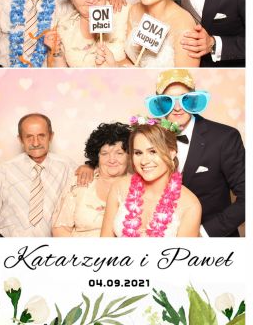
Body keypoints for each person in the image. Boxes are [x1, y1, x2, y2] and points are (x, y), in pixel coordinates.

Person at [145, 69, 245, 236]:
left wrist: (203, 234)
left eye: (184, 99)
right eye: (169, 101)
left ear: (194, 99)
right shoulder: (150, 138)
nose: (177, 108)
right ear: (159, 104)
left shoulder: (224, 137)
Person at [101, 116, 201, 237]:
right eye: (138, 153)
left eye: (153, 152)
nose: (144, 161)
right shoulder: (119, 188)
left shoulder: (190, 205)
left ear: (171, 153)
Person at [0, 113, 75, 237]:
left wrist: (88, 167)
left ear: (51, 136)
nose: (35, 143)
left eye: (41, 136)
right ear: (20, 139)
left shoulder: (67, 166)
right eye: (29, 137)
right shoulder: (4, 169)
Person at [52, 122, 130, 237]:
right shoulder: (81, 181)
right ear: (97, 156)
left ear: (129, 156)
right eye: (105, 154)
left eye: (119, 153)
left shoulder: (137, 186)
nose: (112, 160)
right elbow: (60, 229)